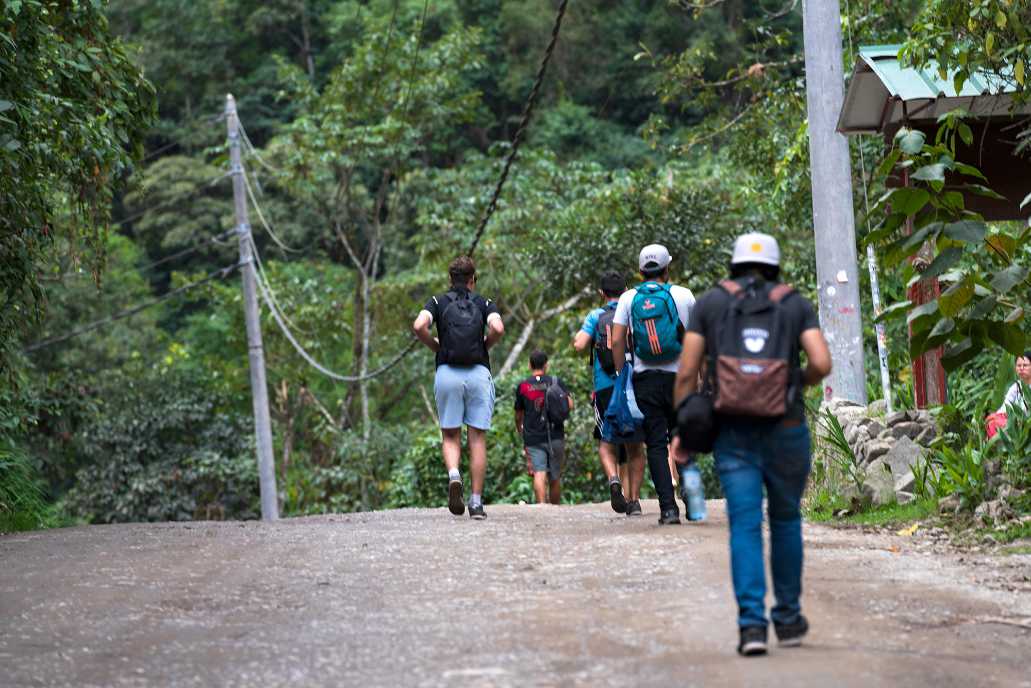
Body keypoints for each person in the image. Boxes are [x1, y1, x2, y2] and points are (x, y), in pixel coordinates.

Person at [672, 232, 832, 656]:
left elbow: (686, 372)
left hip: (733, 432)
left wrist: (685, 423)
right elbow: (821, 362)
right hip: (787, 427)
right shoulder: (794, 304)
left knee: (744, 524)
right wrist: (796, 382)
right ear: (776, 265)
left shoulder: (710, 304)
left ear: (734, 263)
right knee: (785, 520)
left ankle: (752, 628)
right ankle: (789, 619)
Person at [610, 244, 697, 524]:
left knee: (657, 444)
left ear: (640, 272)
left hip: (645, 378)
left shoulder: (628, 298)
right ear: (667, 268)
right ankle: (692, 497)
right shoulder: (684, 295)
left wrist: (621, 373)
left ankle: (668, 509)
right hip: (681, 377)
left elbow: (617, 340)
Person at [412, 256, 505, 520]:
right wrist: (485, 345)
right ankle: (476, 502)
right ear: (473, 279)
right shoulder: (484, 302)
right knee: (477, 438)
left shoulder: (437, 301)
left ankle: (454, 475)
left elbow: (419, 325)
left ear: (450, 279)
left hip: (447, 372)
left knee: (450, 435)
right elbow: (498, 328)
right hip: (478, 373)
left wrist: (436, 346)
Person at [573, 270, 647, 515]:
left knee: (606, 443)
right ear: (625, 290)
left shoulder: (596, 316)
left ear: (601, 293)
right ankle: (634, 501)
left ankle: (614, 480)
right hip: (633, 385)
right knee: (636, 446)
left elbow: (579, 344)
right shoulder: (632, 312)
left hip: (605, 387)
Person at [514, 351, 573, 505]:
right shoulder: (555, 382)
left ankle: (542, 508)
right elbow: (570, 404)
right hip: (556, 434)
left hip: (533, 437)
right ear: (546, 365)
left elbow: (518, 414)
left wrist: (519, 429)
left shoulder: (523, 386)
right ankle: (554, 509)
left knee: (539, 472)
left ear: (529, 365)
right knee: (555, 476)